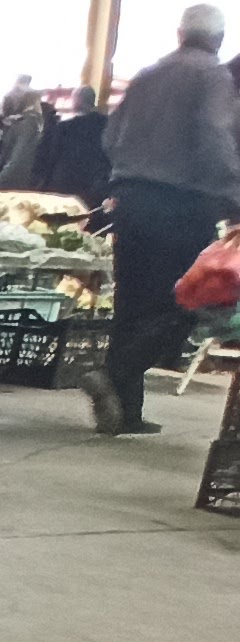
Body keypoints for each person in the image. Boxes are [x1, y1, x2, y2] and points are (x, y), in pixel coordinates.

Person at [88, 7, 240, 433]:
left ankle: (124, 412)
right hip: (181, 203)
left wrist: (129, 174)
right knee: (188, 301)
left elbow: (110, 135)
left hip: (132, 198)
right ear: (219, 38)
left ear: (180, 33)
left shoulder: (149, 73)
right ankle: (116, 373)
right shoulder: (212, 76)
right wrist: (233, 191)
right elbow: (215, 136)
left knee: (132, 304)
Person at [35, 86, 112, 198]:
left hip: (64, 183)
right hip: (95, 183)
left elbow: (51, 156)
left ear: (77, 100)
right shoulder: (106, 125)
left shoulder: (65, 127)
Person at [0, 76, 48, 187]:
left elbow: (13, 162)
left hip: (3, 188)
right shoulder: (25, 123)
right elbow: (14, 162)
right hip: (7, 188)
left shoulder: (24, 123)